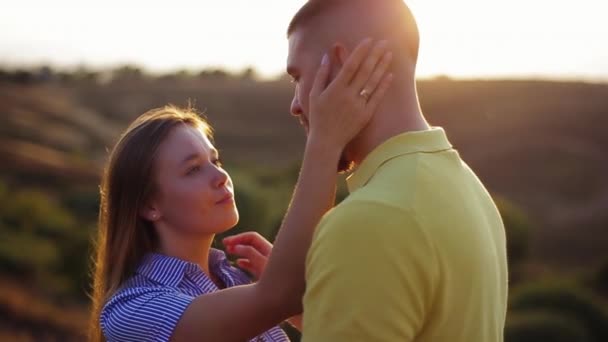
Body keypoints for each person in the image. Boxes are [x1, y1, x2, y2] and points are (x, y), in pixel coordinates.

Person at [89, 39, 394, 341]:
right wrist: (326, 141)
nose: (220, 175)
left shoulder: (234, 280)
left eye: (215, 159)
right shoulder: (132, 312)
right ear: (149, 205)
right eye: (193, 169)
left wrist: (297, 305)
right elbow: (278, 295)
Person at [284, 0, 509, 341]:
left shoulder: (368, 221)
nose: (295, 104)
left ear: (344, 65)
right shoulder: (469, 187)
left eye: (297, 77)